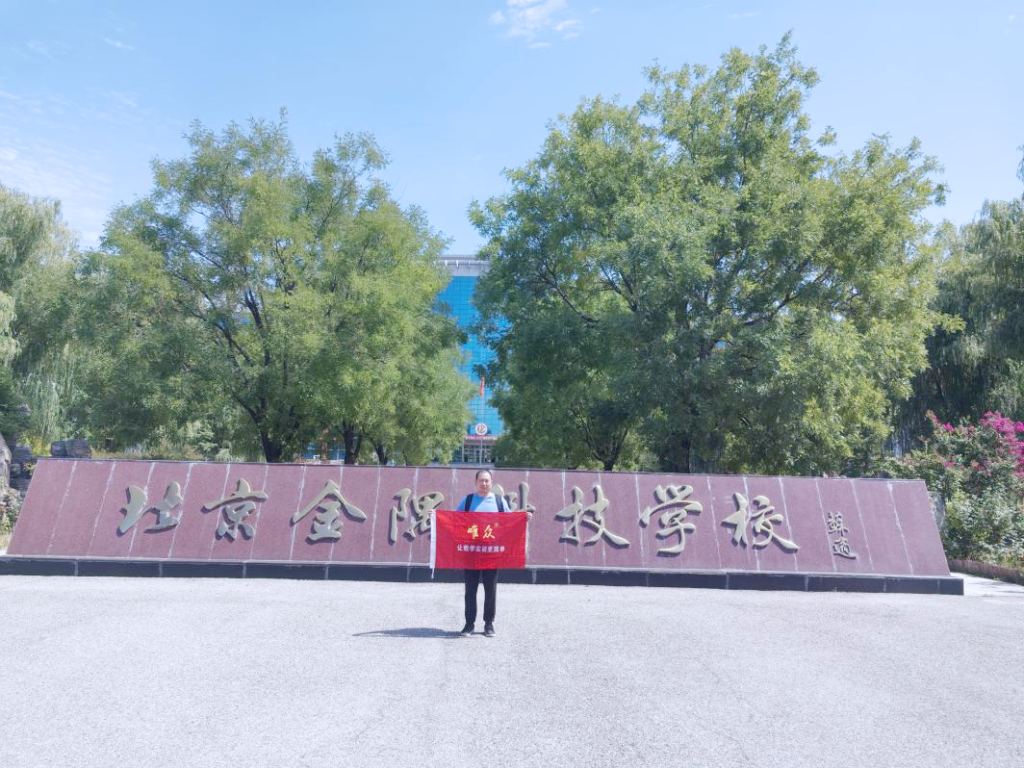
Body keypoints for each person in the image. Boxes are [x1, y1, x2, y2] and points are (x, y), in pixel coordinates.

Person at [458, 468, 530, 637]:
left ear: (491, 483)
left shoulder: (499, 501)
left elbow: (510, 520)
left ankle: (489, 624)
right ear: (475, 483)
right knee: (470, 590)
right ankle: (469, 624)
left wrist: (524, 517)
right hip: (472, 552)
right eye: (481, 480)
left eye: (487, 481)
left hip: (491, 552)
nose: (484, 483)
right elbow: (453, 519)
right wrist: (435, 516)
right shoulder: (468, 501)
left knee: (490, 590)